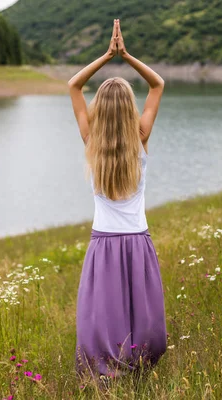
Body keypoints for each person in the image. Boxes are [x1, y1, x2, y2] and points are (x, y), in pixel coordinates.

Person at [68, 19, 167, 386]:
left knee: (104, 316)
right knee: (140, 314)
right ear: (129, 108)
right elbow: (158, 84)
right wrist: (125, 57)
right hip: (137, 241)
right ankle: (138, 369)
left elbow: (73, 85)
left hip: (104, 243)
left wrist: (105, 57)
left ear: (100, 110)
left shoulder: (91, 142)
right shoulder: (141, 139)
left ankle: (104, 375)